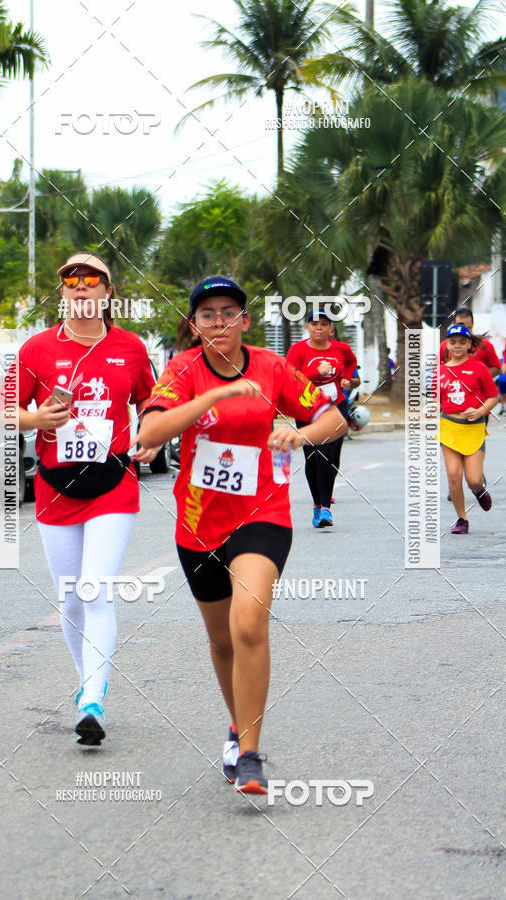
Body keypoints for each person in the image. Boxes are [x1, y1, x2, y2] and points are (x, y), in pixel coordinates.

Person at [137, 276, 345, 794]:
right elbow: (149, 434)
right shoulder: (182, 369)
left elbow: (334, 419)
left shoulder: (274, 366)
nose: (219, 322)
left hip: (262, 514)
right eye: (207, 314)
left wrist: (299, 433)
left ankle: (250, 754)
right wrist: (225, 390)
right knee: (222, 639)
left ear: (245, 321)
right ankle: (237, 725)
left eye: (229, 312)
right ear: (194, 324)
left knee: (249, 621)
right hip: (198, 523)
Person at [0, 252, 157, 745]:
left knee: (95, 588)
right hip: (54, 485)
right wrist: (35, 421)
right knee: (69, 597)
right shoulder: (38, 349)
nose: (81, 288)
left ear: (109, 292)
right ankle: (86, 680)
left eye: (93, 281)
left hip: (112, 483)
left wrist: (151, 435)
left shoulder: (129, 348)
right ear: (63, 292)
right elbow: (4, 409)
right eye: (71, 282)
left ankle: (93, 697)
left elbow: (150, 402)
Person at [286, 310, 357, 527]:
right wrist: (316, 373)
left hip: (335, 407)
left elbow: (352, 363)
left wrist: (347, 379)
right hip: (307, 408)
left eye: (324, 324)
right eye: (314, 323)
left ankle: (325, 507)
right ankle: (319, 505)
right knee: (313, 456)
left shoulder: (341, 348)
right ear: (307, 327)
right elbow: (291, 379)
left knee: (330, 456)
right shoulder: (297, 350)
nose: (319, 328)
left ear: (330, 329)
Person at [439, 324, 498, 534]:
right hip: (448, 428)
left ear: (470, 345)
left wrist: (481, 411)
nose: (457, 346)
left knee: (473, 479)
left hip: (473, 428)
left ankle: (479, 490)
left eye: (462, 342)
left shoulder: (479, 368)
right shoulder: (441, 370)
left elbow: (493, 396)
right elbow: (435, 401)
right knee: (453, 475)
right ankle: (461, 519)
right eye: (452, 342)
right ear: (446, 344)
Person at [440, 308, 500, 377]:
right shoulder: (444, 345)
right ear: (453, 324)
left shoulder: (484, 344)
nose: (464, 332)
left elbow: (496, 367)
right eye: (461, 327)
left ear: (473, 325)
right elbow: (436, 369)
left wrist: (479, 379)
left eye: (468, 328)